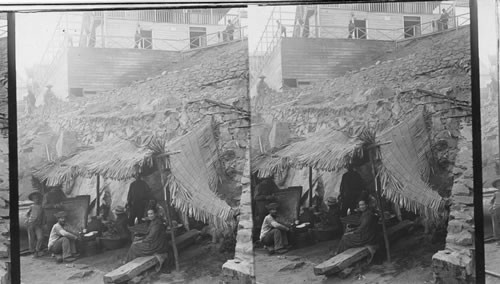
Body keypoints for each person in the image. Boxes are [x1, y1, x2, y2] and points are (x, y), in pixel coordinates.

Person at [26, 191, 44, 257]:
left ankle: (37, 249)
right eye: (35, 198)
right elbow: (27, 214)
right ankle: (32, 252)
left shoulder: (41, 207)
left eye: (38, 198)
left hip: (38, 225)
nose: (37, 199)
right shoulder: (31, 206)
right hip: (31, 224)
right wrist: (28, 220)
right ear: (33, 200)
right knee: (32, 238)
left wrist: (43, 223)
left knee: (40, 237)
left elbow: (43, 216)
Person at [491, 179, 500, 246]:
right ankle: (498, 240)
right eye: (498, 185)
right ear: (496, 187)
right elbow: (491, 202)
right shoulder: (495, 193)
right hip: (496, 209)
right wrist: (491, 207)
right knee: (496, 225)